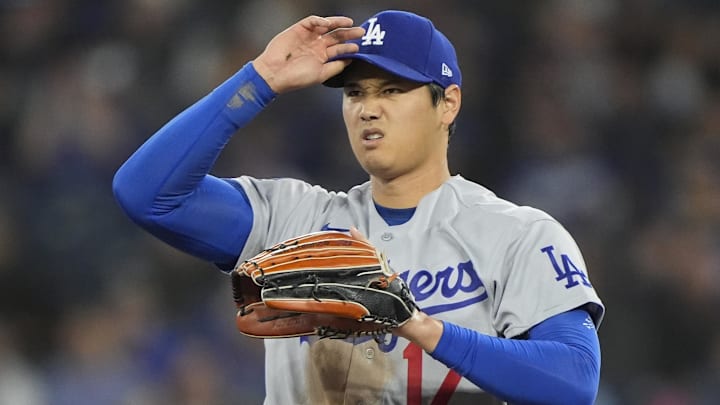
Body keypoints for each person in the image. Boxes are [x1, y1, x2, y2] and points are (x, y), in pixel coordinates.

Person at [113, 9, 605, 405]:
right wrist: (260, 79)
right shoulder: (294, 219)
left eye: (392, 90)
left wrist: (417, 324)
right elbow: (147, 194)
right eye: (355, 93)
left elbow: (573, 381)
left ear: (448, 104)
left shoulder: (516, 234)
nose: (368, 108)